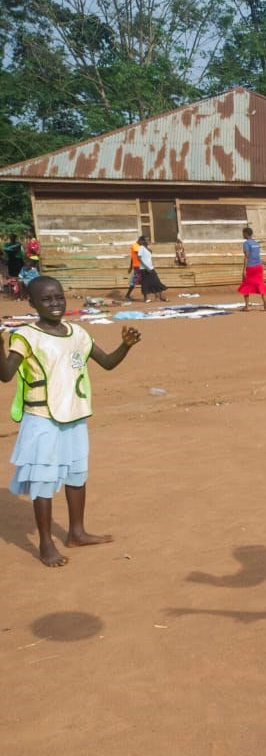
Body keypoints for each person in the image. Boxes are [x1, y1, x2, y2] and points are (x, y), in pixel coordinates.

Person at [0, 276, 141, 567]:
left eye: (59, 297)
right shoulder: (26, 336)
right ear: (32, 303)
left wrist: (125, 346)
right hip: (42, 418)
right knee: (43, 481)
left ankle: (76, 532)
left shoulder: (78, 333)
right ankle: (45, 543)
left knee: (77, 476)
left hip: (75, 416)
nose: (55, 304)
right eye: (46, 299)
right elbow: (5, 374)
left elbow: (107, 362)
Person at [238, 226, 266, 311]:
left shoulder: (246, 243)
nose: (243, 235)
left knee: (246, 285)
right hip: (259, 266)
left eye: (243, 233)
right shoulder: (256, 243)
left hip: (251, 267)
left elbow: (247, 256)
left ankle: (247, 306)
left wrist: (244, 269)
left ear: (245, 234)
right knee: (260, 284)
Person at [136, 235, 167, 302]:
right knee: (145, 283)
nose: (148, 241)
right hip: (144, 269)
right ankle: (146, 298)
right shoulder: (141, 248)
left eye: (148, 239)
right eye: (146, 240)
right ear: (143, 241)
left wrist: (150, 266)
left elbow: (148, 258)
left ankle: (161, 297)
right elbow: (139, 258)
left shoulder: (147, 248)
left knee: (157, 281)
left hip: (151, 268)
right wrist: (146, 267)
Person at [123, 236, 143, 301]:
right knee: (134, 281)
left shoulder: (139, 246)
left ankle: (147, 296)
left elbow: (133, 257)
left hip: (140, 266)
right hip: (137, 266)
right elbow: (137, 255)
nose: (143, 243)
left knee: (144, 280)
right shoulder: (135, 245)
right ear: (140, 240)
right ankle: (127, 295)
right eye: (143, 241)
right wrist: (130, 267)